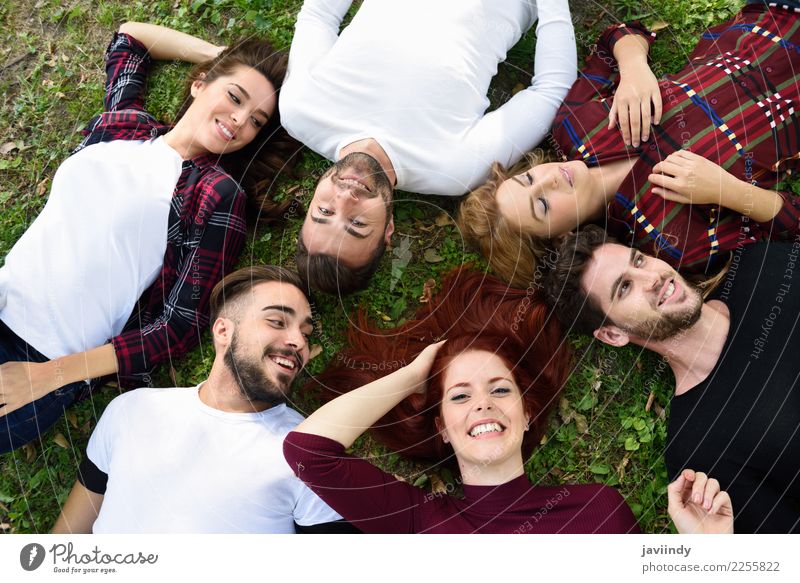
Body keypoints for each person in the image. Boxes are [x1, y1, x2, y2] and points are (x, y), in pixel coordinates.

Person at [0, 22, 298, 453]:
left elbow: (180, 326)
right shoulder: (126, 127)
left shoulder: (215, 193)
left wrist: (49, 377)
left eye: (255, 120)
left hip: (42, 357)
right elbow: (130, 38)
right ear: (200, 84)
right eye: (234, 97)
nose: (239, 120)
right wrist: (219, 54)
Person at [284, 269, 733, 533]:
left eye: (500, 389)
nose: (483, 404)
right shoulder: (421, 524)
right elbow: (307, 453)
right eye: (460, 396)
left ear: (527, 414)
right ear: (441, 426)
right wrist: (415, 374)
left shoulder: (596, 510)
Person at [459, 2, 800, 289]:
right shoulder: (668, 241)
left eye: (529, 179)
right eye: (543, 205)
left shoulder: (573, 126)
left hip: (771, 18)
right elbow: (792, 223)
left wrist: (633, 67)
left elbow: (619, 35)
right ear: (562, 239)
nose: (550, 179)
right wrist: (730, 191)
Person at [281, 0, 577, 294]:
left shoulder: (300, 111)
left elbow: (319, 15)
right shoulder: (453, 168)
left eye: (324, 211)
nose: (346, 198)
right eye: (357, 223)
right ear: (388, 229)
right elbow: (552, 90)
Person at [51, 266, 352, 533]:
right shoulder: (129, 410)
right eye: (277, 321)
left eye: (306, 332)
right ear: (223, 330)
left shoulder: (307, 452)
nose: (299, 342)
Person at [544, 225, 800, 533]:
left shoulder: (760, 266)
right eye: (624, 288)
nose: (652, 278)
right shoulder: (699, 453)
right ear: (613, 334)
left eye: (638, 261)